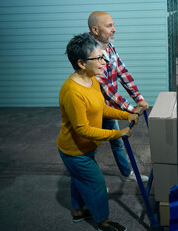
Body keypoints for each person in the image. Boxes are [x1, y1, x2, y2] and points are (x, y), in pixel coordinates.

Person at [57, 32, 137, 231]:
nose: (104, 62)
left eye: (103, 56)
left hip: (86, 147)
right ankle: (103, 222)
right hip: (75, 151)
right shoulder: (73, 92)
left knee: (79, 178)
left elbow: (101, 108)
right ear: (81, 63)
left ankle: (77, 212)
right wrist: (118, 134)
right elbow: (83, 130)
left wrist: (125, 114)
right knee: (97, 184)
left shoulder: (92, 80)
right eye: (99, 58)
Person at [88, 11, 149, 182]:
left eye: (113, 25)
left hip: (109, 108)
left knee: (117, 141)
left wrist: (138, 98)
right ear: (95, 30)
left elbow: (122, 73)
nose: (114, 29)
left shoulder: (109, 47)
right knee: (89, 150)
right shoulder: (91, 52)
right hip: (94, 111)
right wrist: (130, 109)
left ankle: (127, 173)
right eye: (109, 26)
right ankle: (89, 189)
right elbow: (106, 86)